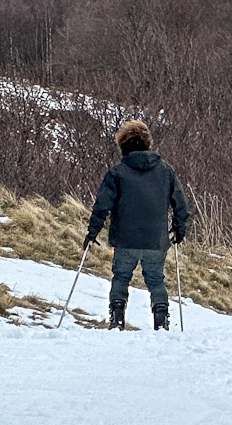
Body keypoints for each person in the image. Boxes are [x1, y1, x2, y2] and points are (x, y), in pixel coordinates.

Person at [85, 119, 191, 330]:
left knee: (121, 277)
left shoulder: (117, 173)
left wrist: (93, 231)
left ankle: (116, 318)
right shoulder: (166, 171)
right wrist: (180, 228)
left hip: (125, 238)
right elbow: (180, 203)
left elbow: (102, 205)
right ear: (148, 143)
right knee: (155, 279)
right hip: (155, 239)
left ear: (123, 145)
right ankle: (161, 321)